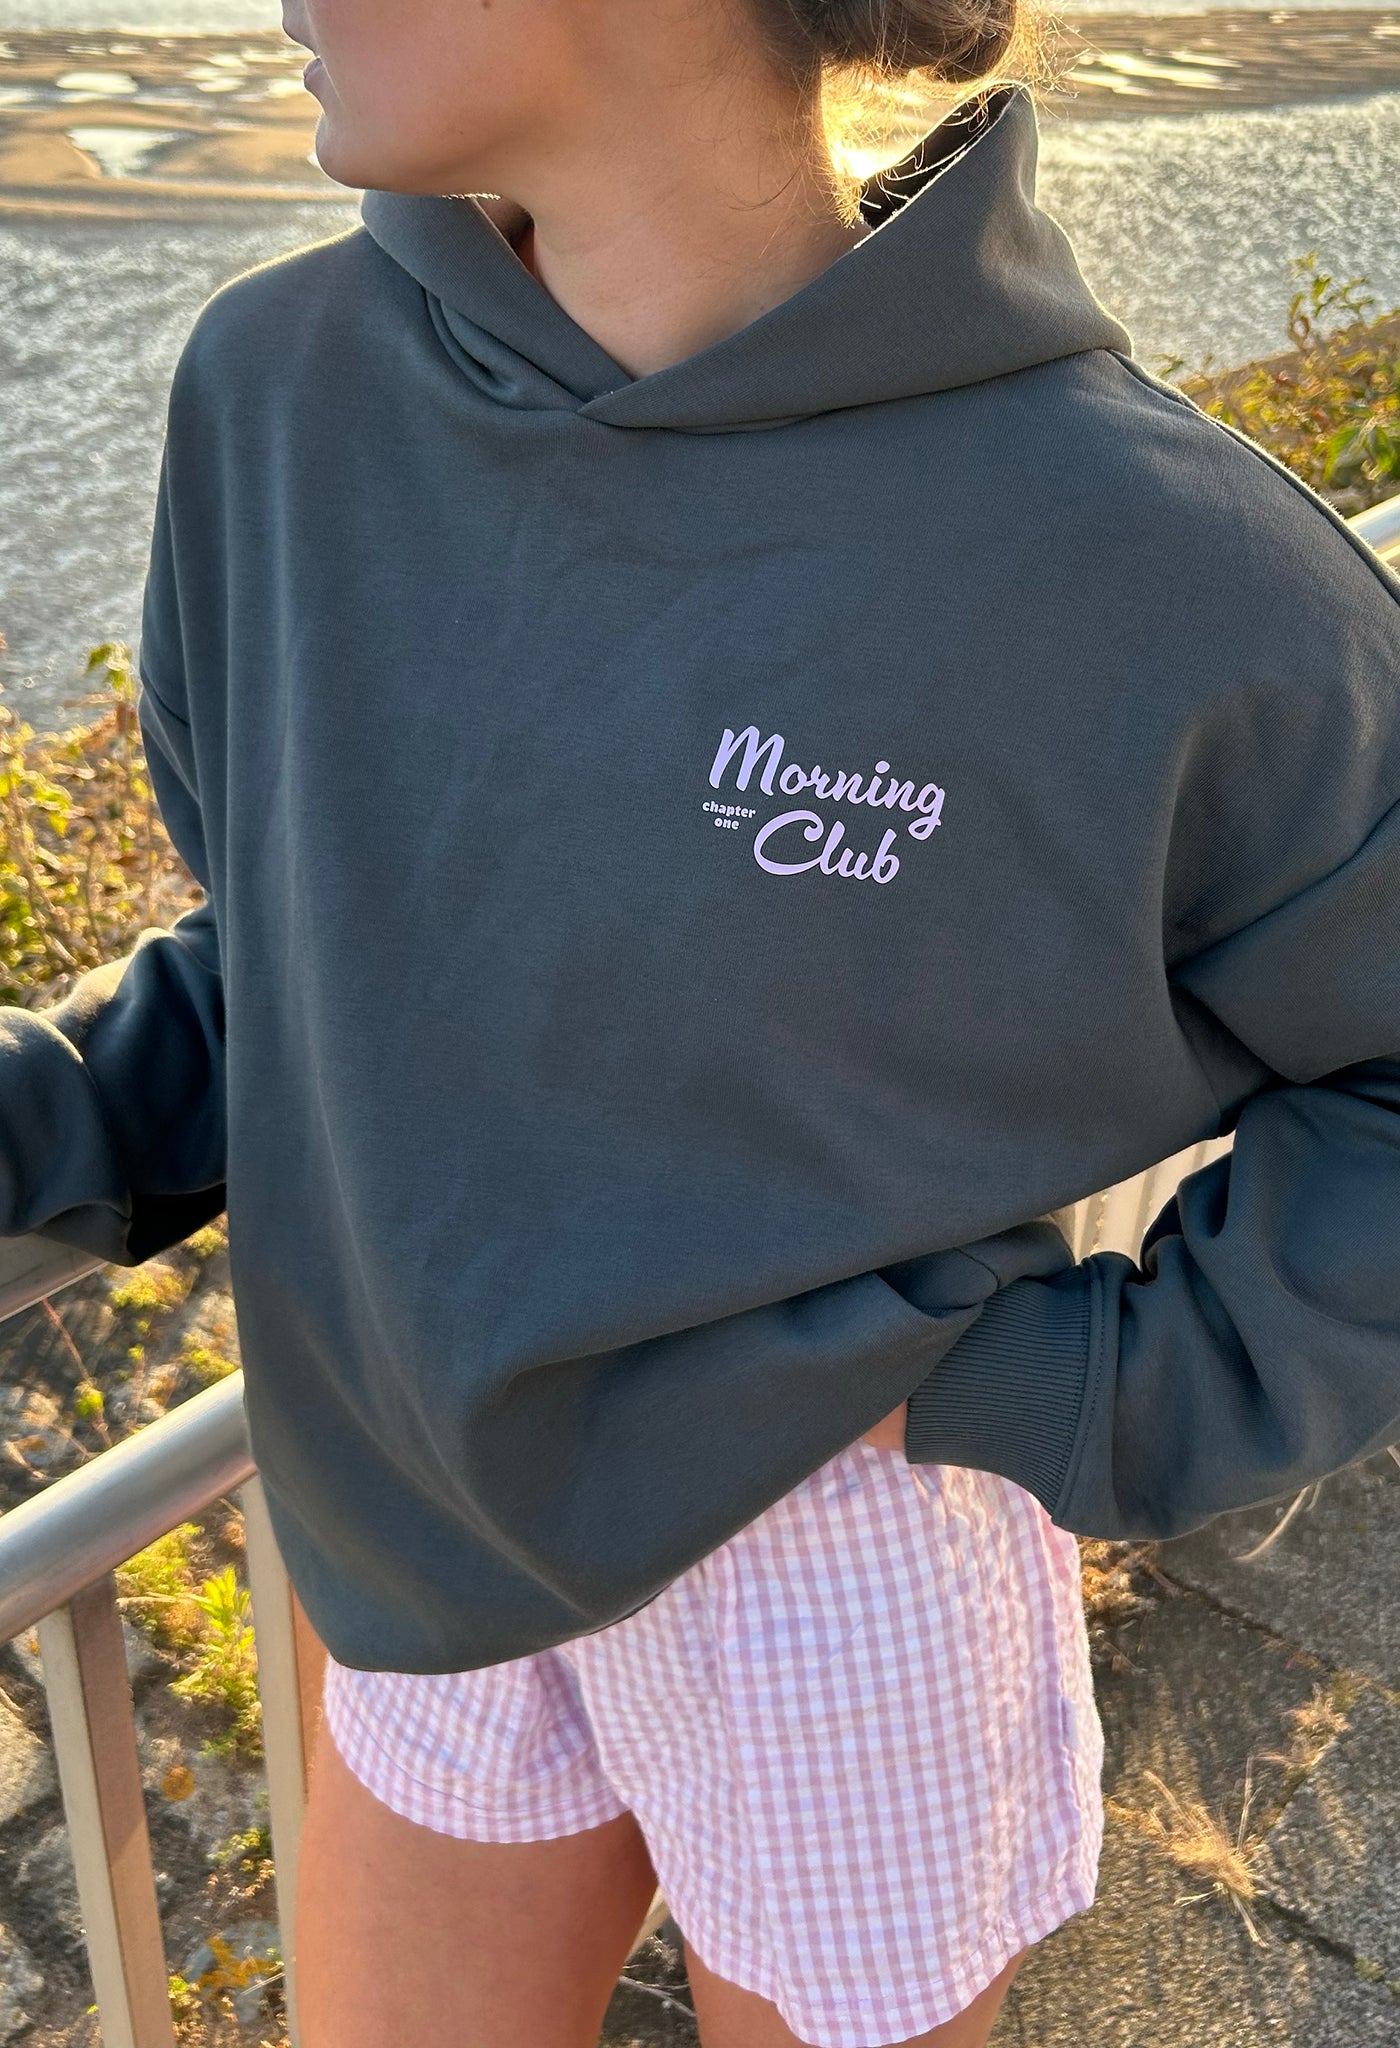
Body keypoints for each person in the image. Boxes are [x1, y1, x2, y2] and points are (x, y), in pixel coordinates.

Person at [5, 0, 1398, 2040]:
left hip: (841, 1542)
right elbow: (307, 954)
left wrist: (1101, 1394)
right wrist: (53, 1110)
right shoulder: (279, 395)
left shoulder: (1152, 560)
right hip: (414, 1515)